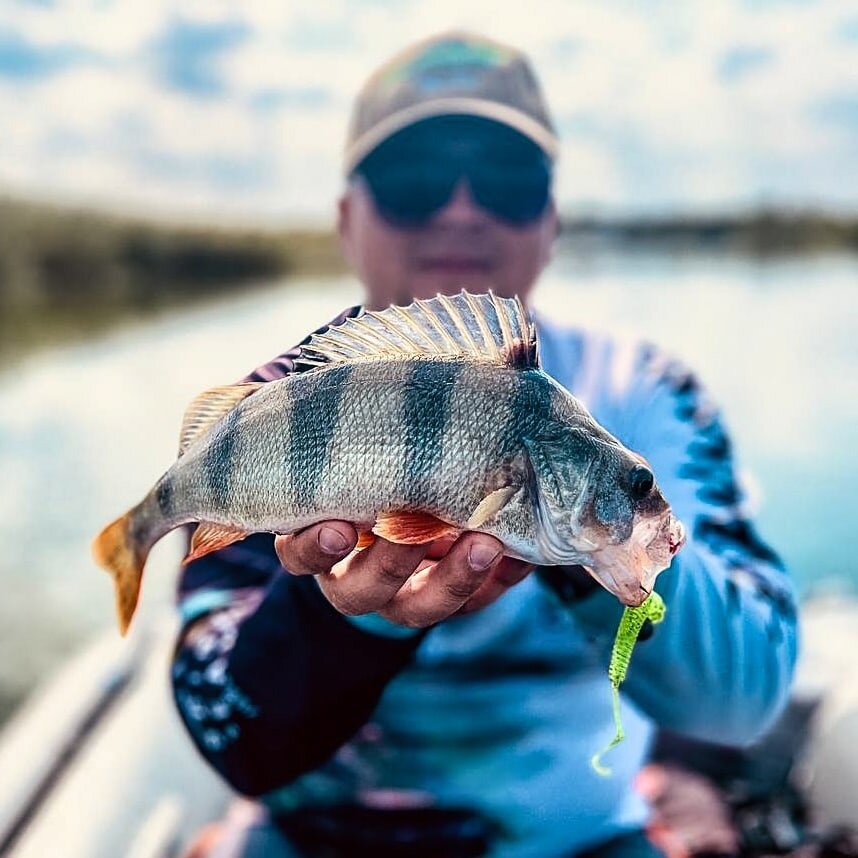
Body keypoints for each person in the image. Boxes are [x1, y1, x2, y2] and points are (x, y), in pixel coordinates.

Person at [172, 32, 798, 858]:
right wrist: (343, 618)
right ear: (345, 221)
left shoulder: (645, 393)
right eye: (413, 180)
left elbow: (744, 698)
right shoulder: (278, 406)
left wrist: (580, 545)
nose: (460, 208)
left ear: (551, 218)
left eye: (507, 179)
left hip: (578, 842)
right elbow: (233, 737)